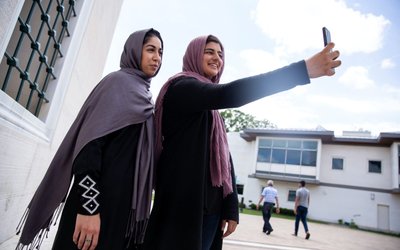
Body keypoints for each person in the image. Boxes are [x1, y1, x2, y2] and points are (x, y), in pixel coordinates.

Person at [142, 33, 340, 250]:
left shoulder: (212, 111)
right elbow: (229, 94)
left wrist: (230, 207)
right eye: (209, 52)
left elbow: (224, 159)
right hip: (182, 209)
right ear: (194, 55)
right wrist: (301, 70)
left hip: (211, 212)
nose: (217, 58)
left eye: (220, 54)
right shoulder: (181, 88)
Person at [15, 28, 163, 250]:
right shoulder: (116, 84)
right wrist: (89, 208)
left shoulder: (146, 98)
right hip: (95, 211)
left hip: (120, 214)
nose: (157, 58)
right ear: (134, 50)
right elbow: (87, 151)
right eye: (150, 49)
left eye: (161, 52)